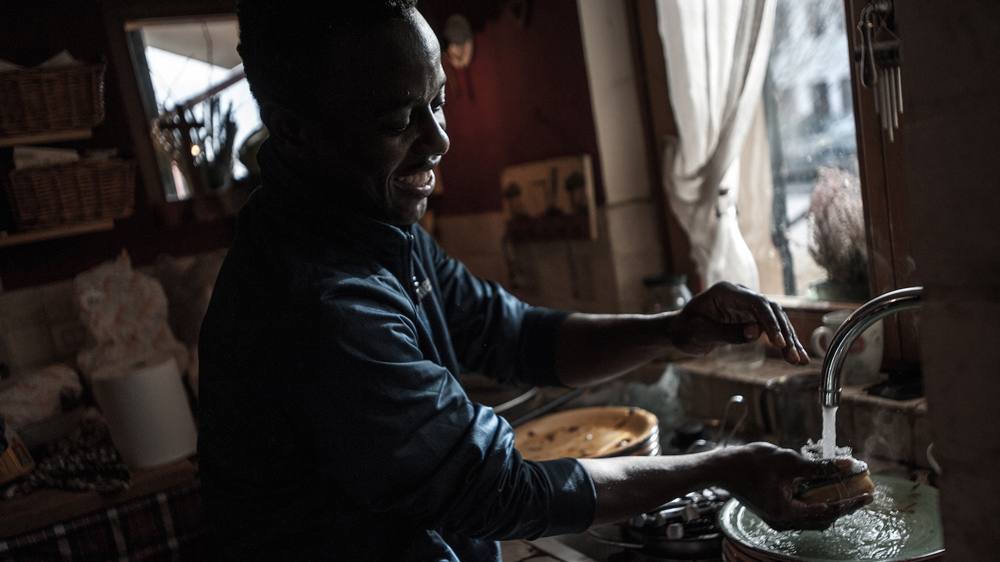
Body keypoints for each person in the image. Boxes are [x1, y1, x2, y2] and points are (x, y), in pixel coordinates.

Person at [197, 2, 871, 560]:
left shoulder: (363, 222)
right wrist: (725, 468)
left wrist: (674, 330)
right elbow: (503, 489)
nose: (439, 142)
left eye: (437, 103)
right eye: (399, 122)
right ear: (293, 136)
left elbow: (512, 335)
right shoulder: (318, 306)